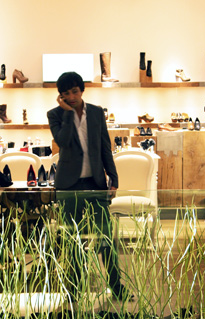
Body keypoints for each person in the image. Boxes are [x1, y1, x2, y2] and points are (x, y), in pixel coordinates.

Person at [47, 71, 128, 300]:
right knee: (73, 241)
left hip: (95, 184)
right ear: (60, 96)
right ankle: (75, 291)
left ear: (82, 90)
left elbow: (104, 147)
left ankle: (116, 286)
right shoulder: (55, 115)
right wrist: (69, 114)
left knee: (106, 239)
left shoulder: (95, 112)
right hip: (68, 186)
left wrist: (113, 177)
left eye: (74, 91)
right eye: (66, 93)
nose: (71, 96)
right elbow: (62, 141)